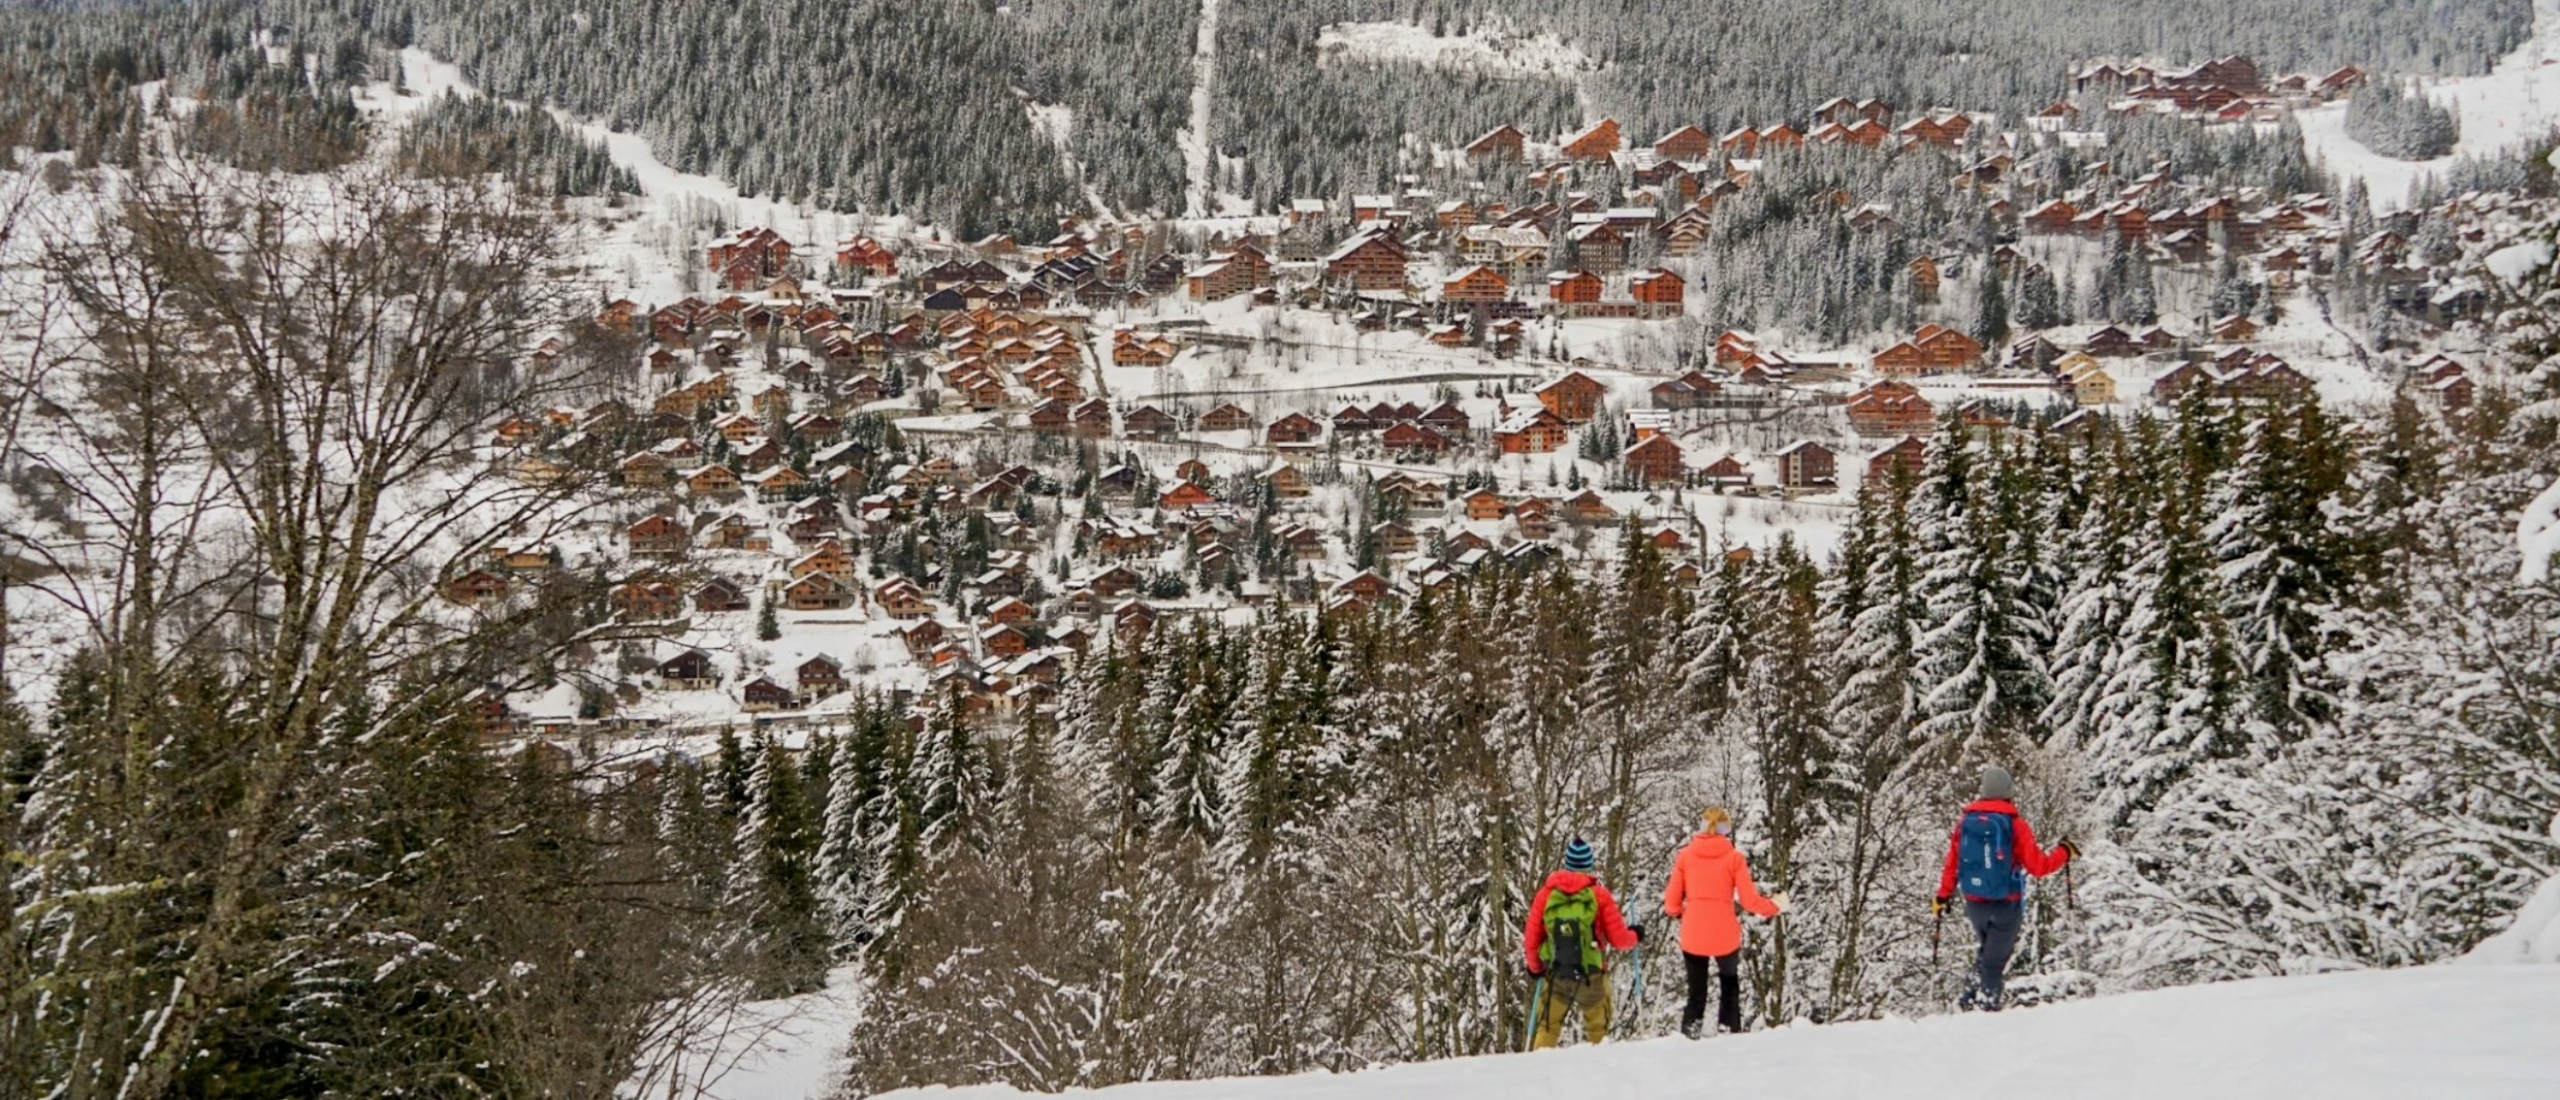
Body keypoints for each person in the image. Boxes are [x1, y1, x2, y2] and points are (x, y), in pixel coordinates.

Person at [1934, 766, 2077, 1012]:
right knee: (1993, 962)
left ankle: (1966, 1004)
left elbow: (1952, 863)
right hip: (2005, 903)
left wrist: (1942, 896)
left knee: (1986, 954)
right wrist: (2064, 853)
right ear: (2009, 792)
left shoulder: (1965, 823)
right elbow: (2038, 867)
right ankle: (1986, 1010)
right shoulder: (2015, 825)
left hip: (1974, 901)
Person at [1662, 806, 1786, 1038]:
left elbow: (1670, 904)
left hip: (1693, 933)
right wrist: (1775, 906)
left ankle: (1690, 1033)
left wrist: (1682, 911)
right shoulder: (1734, 858)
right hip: (1724, 933)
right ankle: (1728, 1030)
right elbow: (1749, 901)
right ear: (1726, 829)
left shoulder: (1685, 857)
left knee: (1696, 992)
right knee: (1730, 986)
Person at [1522, 837, 1642, 1049]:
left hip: (1556, 973)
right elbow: (1620, 940)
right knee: (1598, 1029)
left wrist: (1535, 967)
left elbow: (1531, 938)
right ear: (1589, 866)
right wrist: (1636, 935)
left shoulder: (1547, 894)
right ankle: (1600, 1072)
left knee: (1547, 1028)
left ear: (1566, 864)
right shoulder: (1599, 895)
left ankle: (1536, 1072)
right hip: (1591, 975)